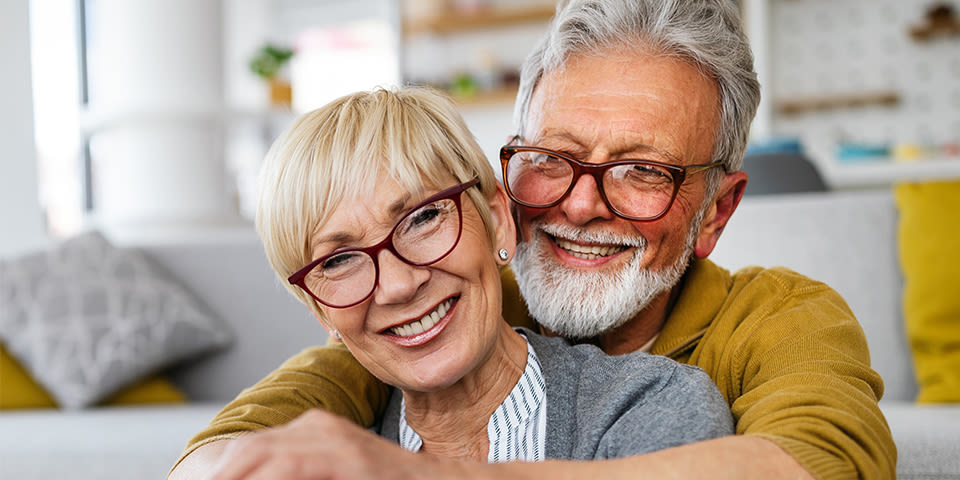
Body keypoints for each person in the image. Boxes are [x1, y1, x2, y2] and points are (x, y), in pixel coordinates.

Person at [171, 1, 897, 479]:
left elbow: (813, 465)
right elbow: (226, 450)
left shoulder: (777, 318)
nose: (581, 205)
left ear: (714, 210)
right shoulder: (443, 297)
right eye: (552, 159)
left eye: (641, 171)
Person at [170, 86, 733, 477]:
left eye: (422, 219)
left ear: (495, 219)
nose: (396, 285)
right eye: (337, 261)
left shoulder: (648, 407)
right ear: (320, 312)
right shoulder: (322, 458)